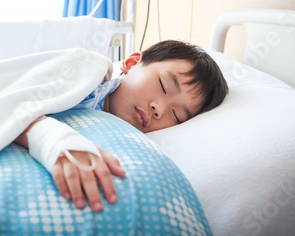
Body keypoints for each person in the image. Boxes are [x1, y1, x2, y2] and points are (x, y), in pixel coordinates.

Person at [14, 40, 229, 213]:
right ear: (132, 62)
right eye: (163, 85)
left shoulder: (127, 141)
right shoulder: (86, 75)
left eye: (176, 115)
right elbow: (12, 104)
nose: (158, 109)